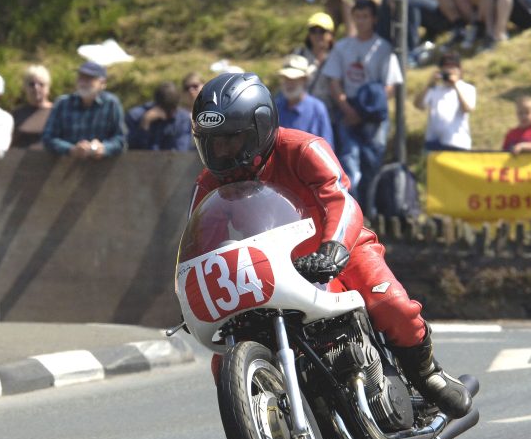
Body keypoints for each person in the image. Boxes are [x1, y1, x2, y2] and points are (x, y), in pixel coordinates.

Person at [189, 72, 472, 419]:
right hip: (267, 272)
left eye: (231, 141)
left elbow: (340, 199)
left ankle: (428, 375)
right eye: (213, 143)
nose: (222, 152)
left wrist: (333, 247)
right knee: (223, 364)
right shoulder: (208, 184)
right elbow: (202, 241)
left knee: (391, 304)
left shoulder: (303, 148)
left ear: (260, 128)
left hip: (337, 248)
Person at [321, 0, 403, 213]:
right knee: (349, 165)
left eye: (365, 17)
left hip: (374, 116)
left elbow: (390, 86)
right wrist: (346, 107)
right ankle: (353, 214)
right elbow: (334, 81)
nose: (361, 21)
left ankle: (371, 211)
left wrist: (366, 111)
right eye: (357, 16)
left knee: (372, 166)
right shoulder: (342, 47)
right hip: (348, 112)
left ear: (374, 19)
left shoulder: (384, 48)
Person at [42, 61, 126, 159]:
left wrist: (104, 148)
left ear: (102, 83)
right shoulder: (62, 104)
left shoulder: (112, 104)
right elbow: (48, 138)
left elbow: (121, 139)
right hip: (64, 168)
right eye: (81, 77)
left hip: (103, 170)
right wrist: (71, 149)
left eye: (89, 78)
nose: (83, 82)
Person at [413, 52, 476, 151]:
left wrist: (455, 85)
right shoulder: (434, 89)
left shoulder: (467, 88)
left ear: (459, 70)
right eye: (446, 68)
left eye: (452, 68)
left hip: (458, 143)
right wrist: (429, 84)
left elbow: (467, 108)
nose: (449, 71)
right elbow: (418, 105)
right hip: (433, 142)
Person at [274, 54, 335, 148]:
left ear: (304, 80)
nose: (289, 83)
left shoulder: (317, 109)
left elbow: (327, 150)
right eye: (286, 78)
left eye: (294, 79)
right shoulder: (275, 107)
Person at [126, 81, 193, 150]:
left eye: (173, 109)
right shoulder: (135, 116)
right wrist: (144, 124)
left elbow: (181, 150)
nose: (170, 114)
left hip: (171, 160)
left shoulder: (183, 119)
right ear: (157, 104)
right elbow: (133, 149)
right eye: (167, 110)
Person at [293, 12, 337, 109]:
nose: (317, 35)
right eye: (313, 31)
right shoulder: (299, 54)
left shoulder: (337, 57)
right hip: (302, 109)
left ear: (331, 34)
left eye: (322, 31)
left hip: (329, 112)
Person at [11, 64, 53, 149]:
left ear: (48, 88)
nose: (36, 88)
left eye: (41, 84)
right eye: (31, 84)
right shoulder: (16, 113)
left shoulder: (57, 112)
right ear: (25, 87)